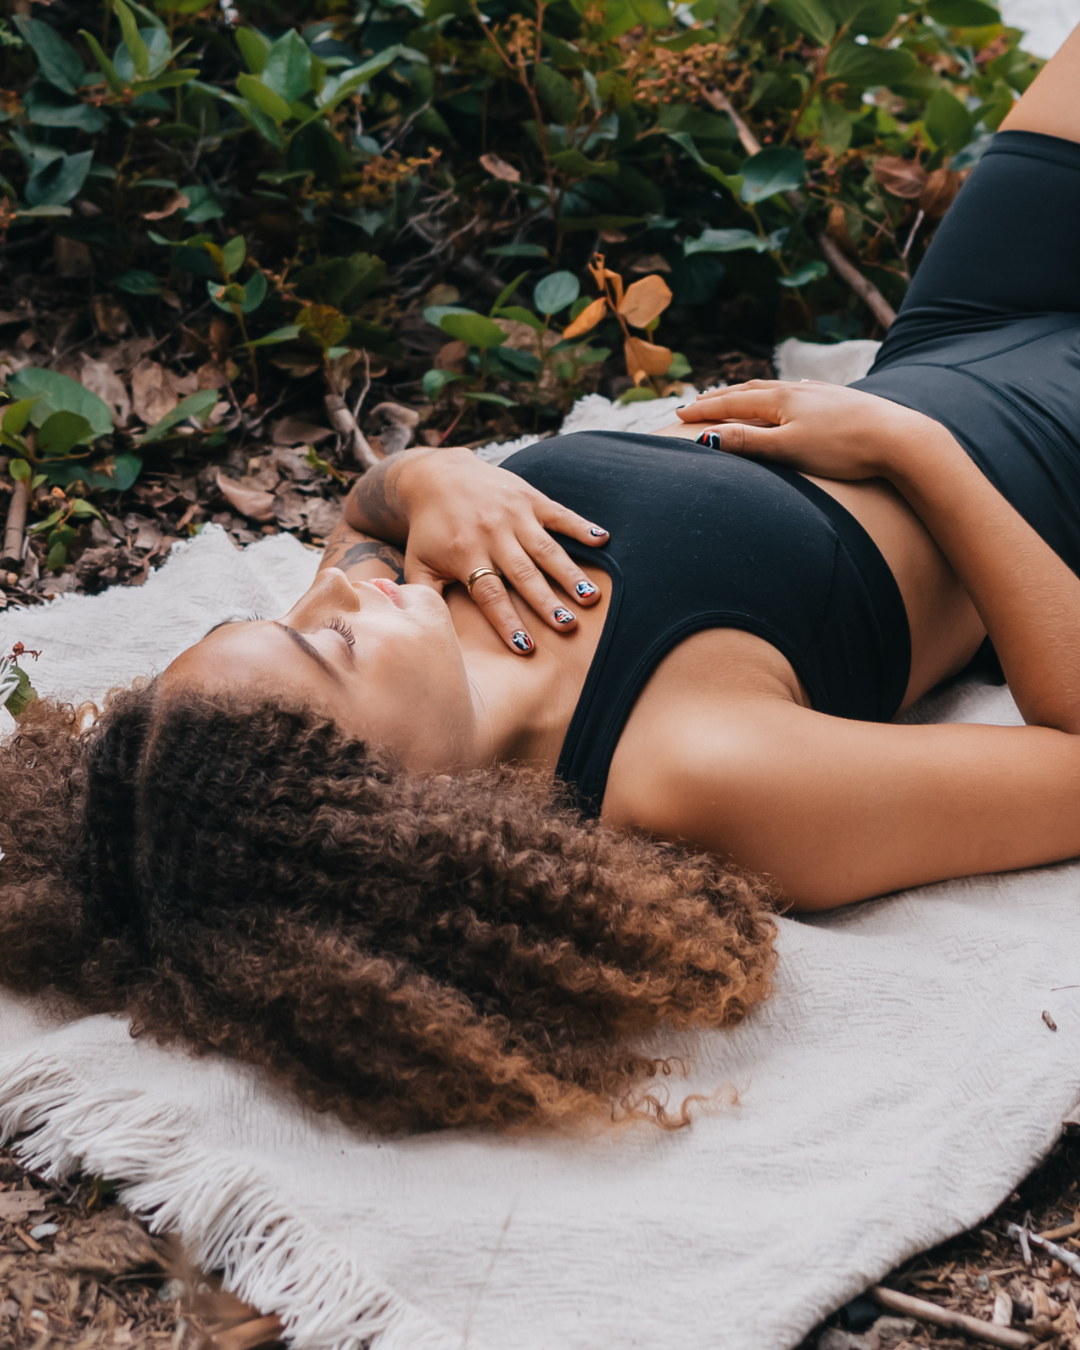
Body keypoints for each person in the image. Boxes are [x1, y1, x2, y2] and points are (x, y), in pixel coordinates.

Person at [4, 29, 1080, 1134]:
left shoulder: (423, 607)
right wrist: (915, 455)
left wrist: (423, 479)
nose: (329, 595)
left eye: (287, 611)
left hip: (963, 321)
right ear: (380, 810)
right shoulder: (688, 771)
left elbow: (363, 519)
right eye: (322, 645)